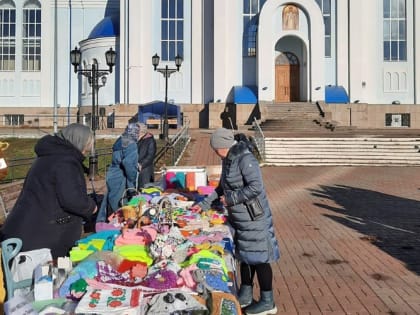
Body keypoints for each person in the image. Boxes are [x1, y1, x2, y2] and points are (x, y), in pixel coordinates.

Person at [190, 128, 280, 315]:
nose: (215, 152)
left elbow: (256, 187)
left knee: (260, 259)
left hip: (254, 217)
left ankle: (267, 302)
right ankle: (245, 294)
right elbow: (222, 186)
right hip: (240, 217)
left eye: (216, 148)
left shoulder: (245, 159)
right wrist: (205, 204)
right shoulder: (228, 160)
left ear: (223, 145)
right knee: (244, 257)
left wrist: (231, 199)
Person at [0, 124, 97, 259]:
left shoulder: (51, 156)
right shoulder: (65, 162)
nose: (85, 152)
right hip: (41, 236)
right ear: (78, 142)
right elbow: (72, 199)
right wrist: (91, 207)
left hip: (30, 228)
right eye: (86, 147)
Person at [96, 122, 141, 223]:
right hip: (121, 176)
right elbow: (128, 162)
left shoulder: (121, 139)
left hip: (113, 173)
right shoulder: (131, 143)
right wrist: (132, 178)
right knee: (118, 203)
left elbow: (121, 157)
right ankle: (113, 226)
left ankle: (104, 221)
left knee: (110, 199)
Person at [137, 123, 156, 188]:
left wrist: (141, 164)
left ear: (141, 131)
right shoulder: (135, 139)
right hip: (135, 168)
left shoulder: (150, 140)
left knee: (144, 190)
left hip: (145, 170)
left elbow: (150, 155)